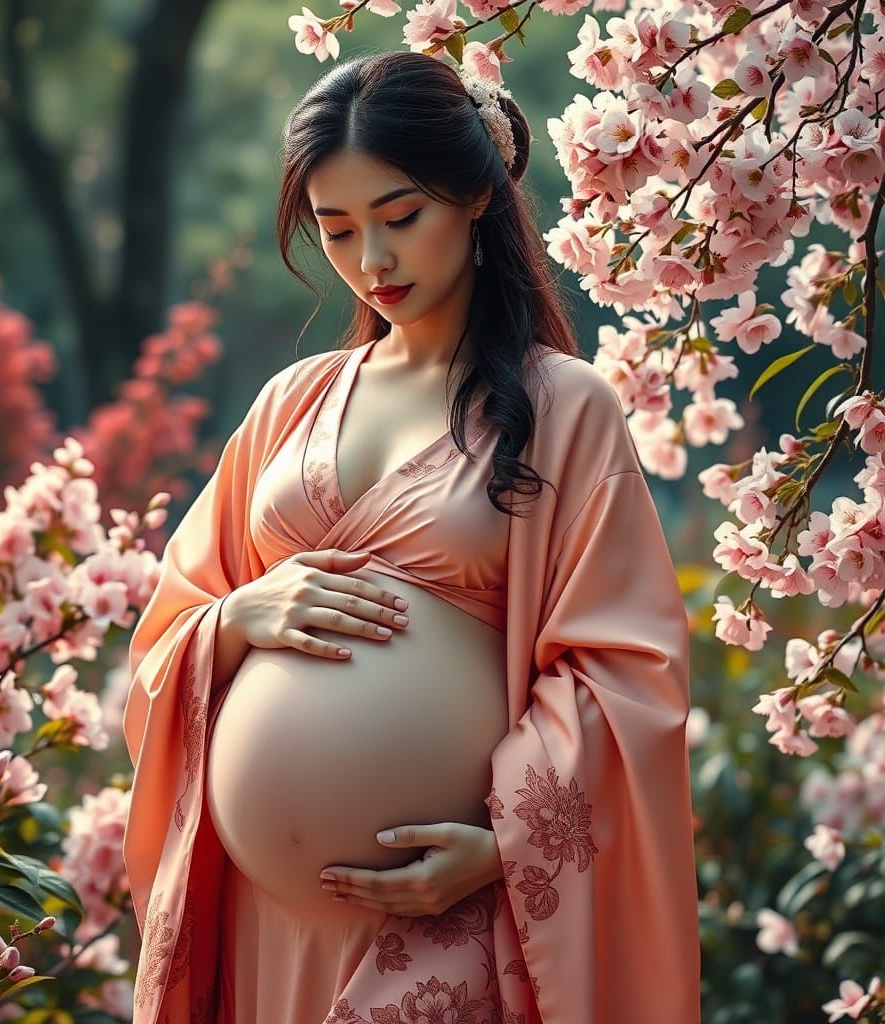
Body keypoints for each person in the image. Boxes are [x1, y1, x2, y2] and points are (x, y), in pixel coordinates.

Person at [121, 50, 701, 1024]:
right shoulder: (288, 405)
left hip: (456, 920)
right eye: (337, 229)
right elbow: (167, 627)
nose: (371, 262)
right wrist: (233, 619)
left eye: (399, 218)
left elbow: (625, 671)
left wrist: (507, 847)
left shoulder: (565, 408)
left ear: (475, 195)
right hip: (266, 924)